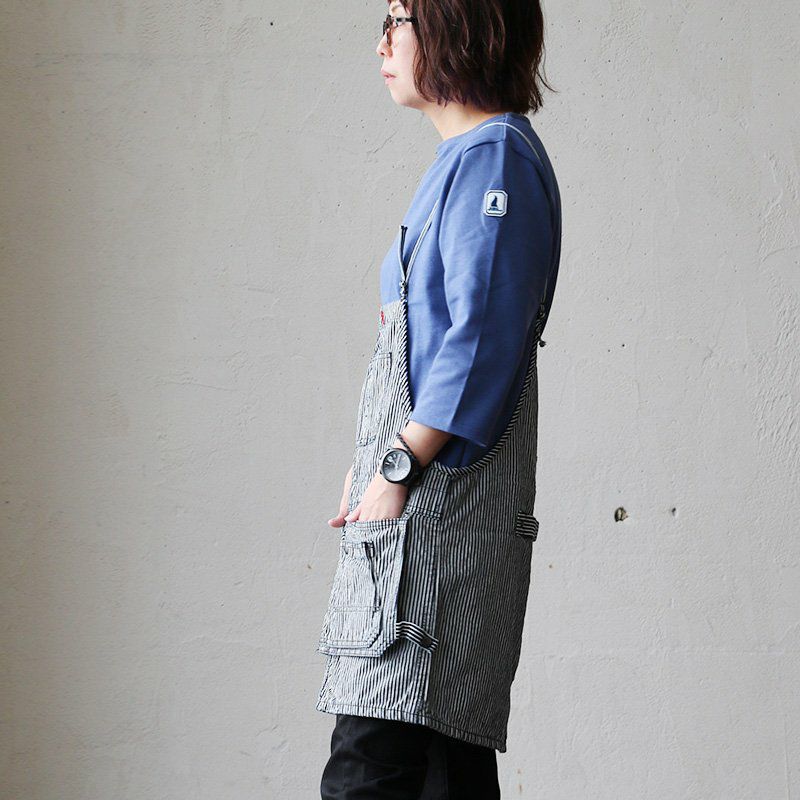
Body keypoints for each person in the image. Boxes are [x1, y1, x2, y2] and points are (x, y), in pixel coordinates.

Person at [316, 0, 561, 796]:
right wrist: (372, 465)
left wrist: (397, 464)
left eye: (397, 19)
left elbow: (480, 339)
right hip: (417, 517)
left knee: (378, 767)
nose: (382, 43)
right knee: (437, 767)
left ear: (460, 26)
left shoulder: (497, 163)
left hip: (438, 519)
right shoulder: (466, 162)